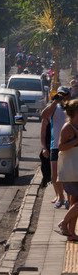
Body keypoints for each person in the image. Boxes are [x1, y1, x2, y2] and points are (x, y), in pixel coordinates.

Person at [41, 86, 71, 208]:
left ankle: (69, 198)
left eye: (63, 95)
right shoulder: (54, 108)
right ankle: (60, 196)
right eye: (59, 94)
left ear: (68, 96)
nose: (61, 97)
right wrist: (55, 102)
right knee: (54, 174)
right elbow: (44, 115)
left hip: (69, 145)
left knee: (68, 174)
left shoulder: (71, 107)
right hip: (55, 145)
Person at [57, 99, 78, 240]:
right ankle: (63, 223)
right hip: (71, 169)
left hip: (76, 169)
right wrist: (76, 140)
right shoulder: (68, 127)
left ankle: (71, 233)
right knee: (74, 201)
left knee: (74, 202)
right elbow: (61, 146)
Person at [39, 117, 51, 187]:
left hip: (62, 147)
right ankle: (46, 180)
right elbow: (43, 134)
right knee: (45, 162)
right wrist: (44, 148)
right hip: (48, 146)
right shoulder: (47, 117)